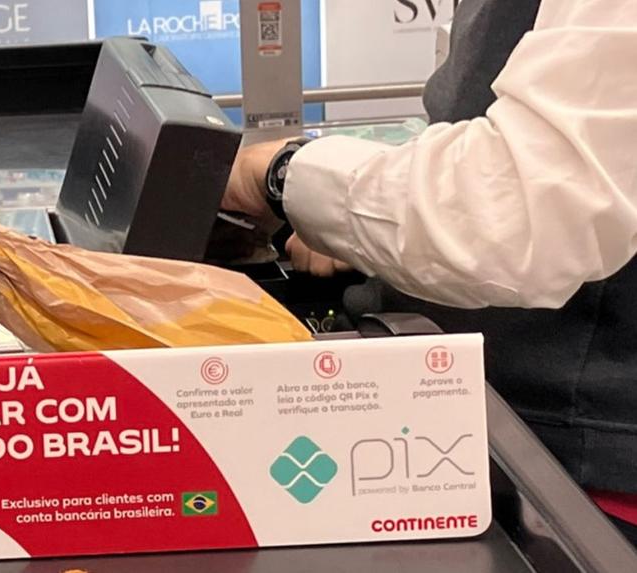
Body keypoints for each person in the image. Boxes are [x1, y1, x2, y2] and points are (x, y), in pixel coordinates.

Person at [222, 0, 637, 543]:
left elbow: (520, 211)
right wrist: (360, 225)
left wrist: (281, 174)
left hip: (580, 479)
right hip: (483, 423)